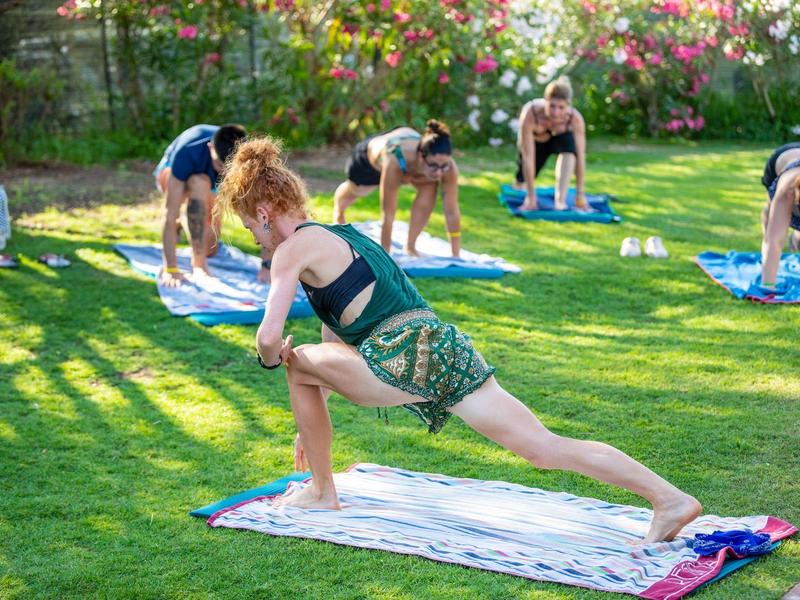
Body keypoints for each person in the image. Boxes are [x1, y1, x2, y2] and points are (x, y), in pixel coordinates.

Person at [216, 135, 702, 544]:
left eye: (249, 229)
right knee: (542, 447)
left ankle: (323, 491)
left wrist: (271, 358)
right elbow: (335, 346)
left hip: (402, 354)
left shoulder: (291, 251)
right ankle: (669, 498)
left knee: (294, 359)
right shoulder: (346, 237)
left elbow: (270, 337)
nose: (256, 241)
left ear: (263, 213)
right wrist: (310, 415)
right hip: (444, 348)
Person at [154, 123, 271, 287]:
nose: (224, 172)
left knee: (210, 250)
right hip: (173, 176)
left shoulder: (249, 160)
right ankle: (198, 265)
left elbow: (265, 215)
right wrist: (171, 269)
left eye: (230, 168)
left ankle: (188, 220)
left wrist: (268, 266)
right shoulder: (187, 152)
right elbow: (169, 214)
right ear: (210, 148)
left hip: (209, 188)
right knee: (199, 182)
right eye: (220, 165)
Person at [332, 120, 461, 258]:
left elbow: (451, 211)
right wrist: (385, 256)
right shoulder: (395, 158)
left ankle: (411, 246)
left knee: (429, 188)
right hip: (370, 161)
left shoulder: (447, 167)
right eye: (433, 166)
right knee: (359, 190)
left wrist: (456, 255)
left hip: (408, 158)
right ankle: (338, 212)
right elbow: (388, 213)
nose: (439, 173)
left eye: (443, 167)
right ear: (420, 156)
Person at [515, 76, 588, 212]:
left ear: (568, 105)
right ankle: (521, 184)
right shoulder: (531, 113)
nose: (556, 112)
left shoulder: (574, 119)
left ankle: (560, 200)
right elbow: (528, 158)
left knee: (570, 150)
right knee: (522, 180)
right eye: (552, 106)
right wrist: (531, 198)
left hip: (559, 141)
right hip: (536, 145)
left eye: (561, 107)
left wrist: (580, 195)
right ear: (545, 101)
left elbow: (581, 157)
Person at [759, 142, 800, 290]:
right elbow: (774, 240)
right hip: (782, 160)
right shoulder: (786, 191)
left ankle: (797, 235)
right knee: (773, 218)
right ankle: (766, 260)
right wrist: (768, 285)